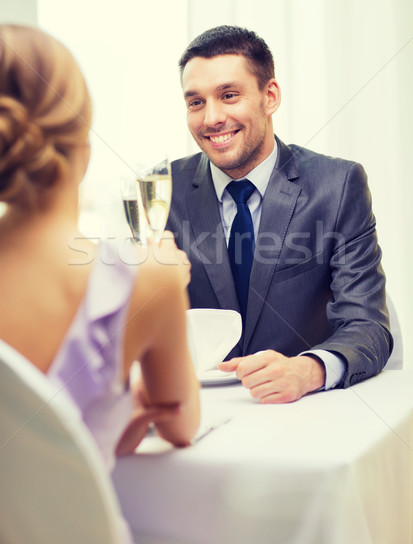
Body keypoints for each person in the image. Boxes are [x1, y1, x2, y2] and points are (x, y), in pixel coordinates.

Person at [0, 24, 200, 471]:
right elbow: (181, 427)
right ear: (84, 147)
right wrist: (122, 403)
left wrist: (103, 427)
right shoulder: (150, 277)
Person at [166, 24, 392, 403]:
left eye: (229, 95)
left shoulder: (337, 185)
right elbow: (133, 331)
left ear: (270, 96)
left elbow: (366, 325)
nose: (211, 119)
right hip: (197, 411)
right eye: (196, 102)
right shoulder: (162, 192)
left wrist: (308, 370)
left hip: (302, 413)